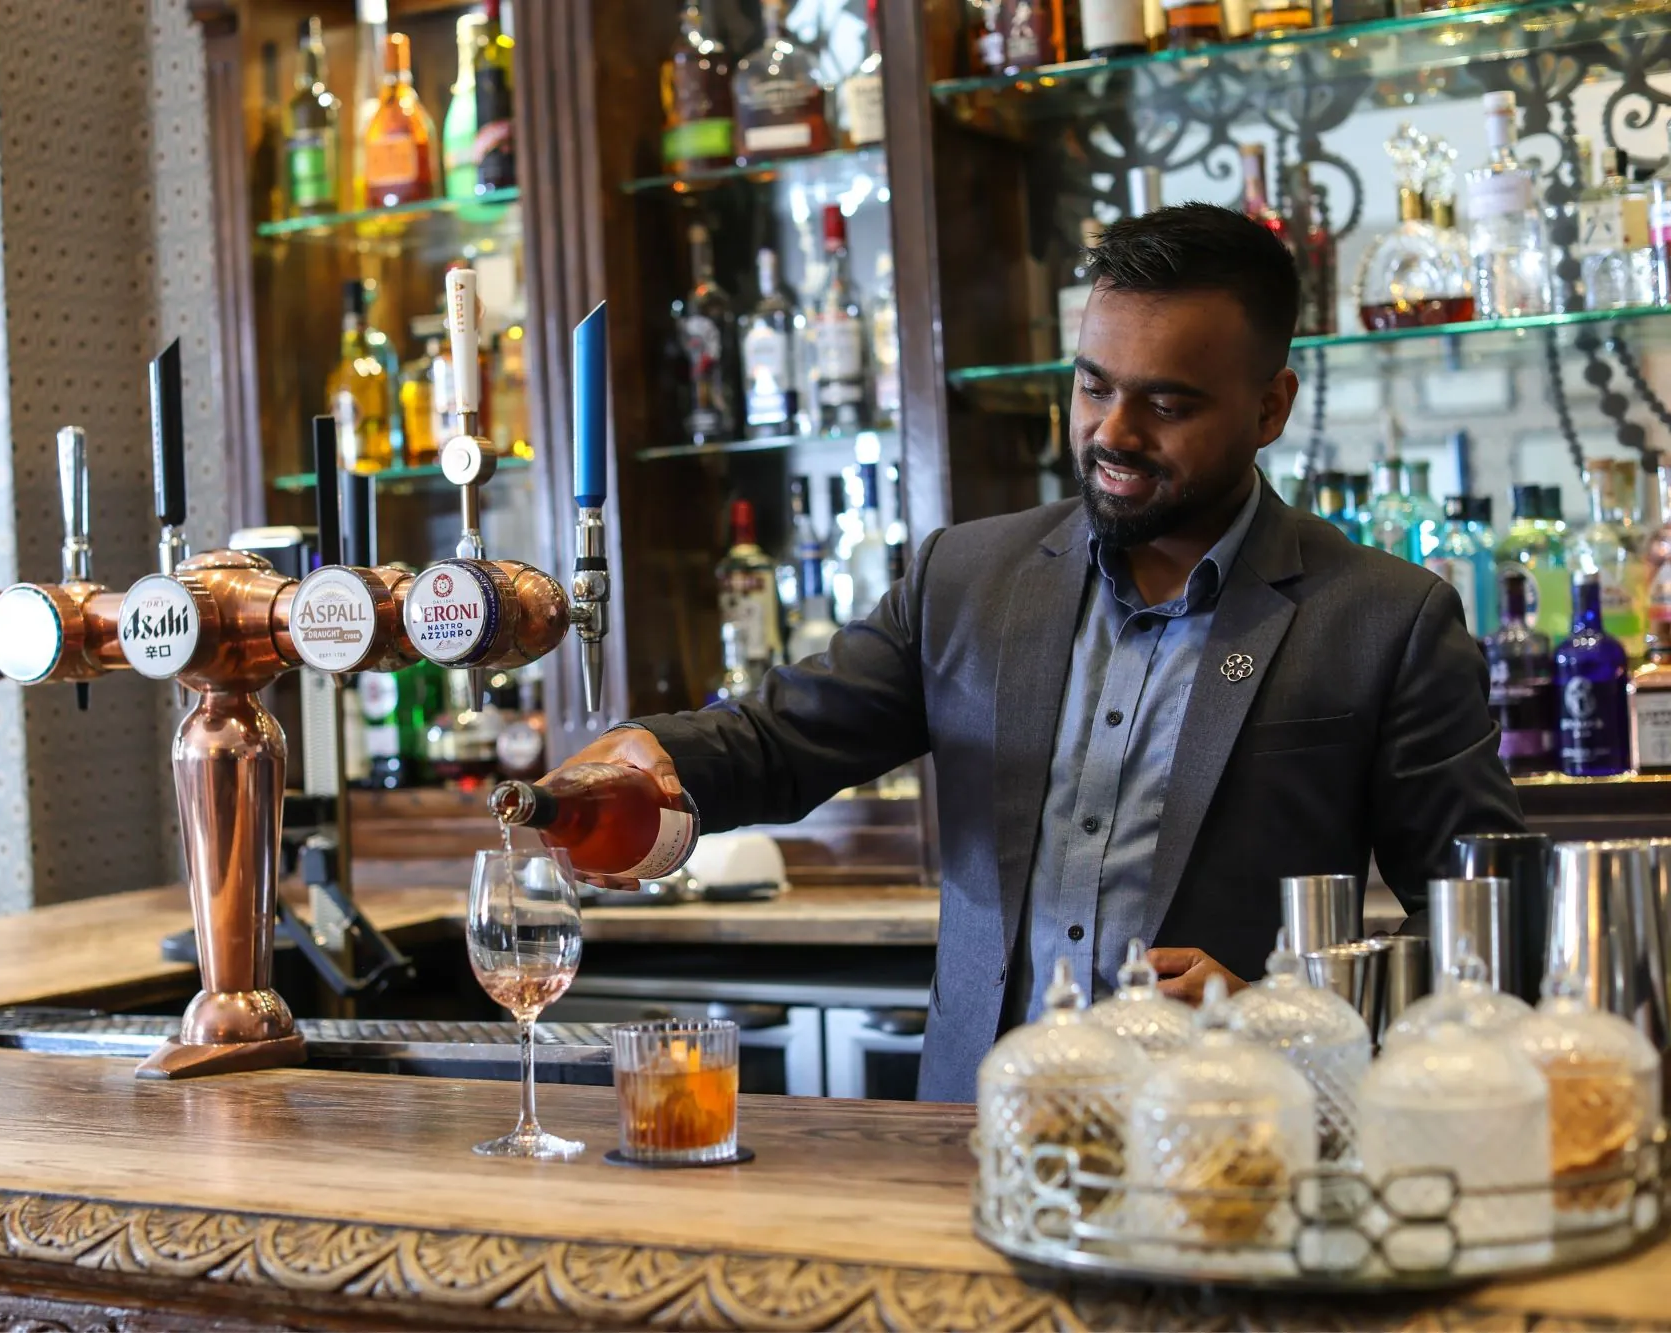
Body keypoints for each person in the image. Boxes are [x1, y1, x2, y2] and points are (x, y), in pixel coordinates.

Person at [554, 203, 1523, 1102]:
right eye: (1091, 385)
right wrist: (653, 757)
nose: (1111, 431)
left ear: (1270, 408)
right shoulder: (966, 578)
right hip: (971, 1146)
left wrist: (1286, 1014)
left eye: (1167, 405)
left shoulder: (1384, 620)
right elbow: (778, 737)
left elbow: (1491, 932)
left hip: (1232, 1161)